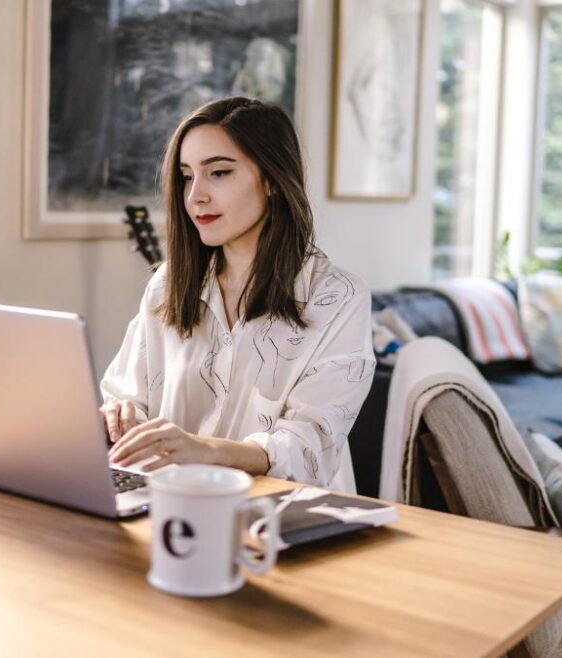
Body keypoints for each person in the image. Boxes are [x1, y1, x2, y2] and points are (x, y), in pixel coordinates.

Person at [102, 97, 375, 492]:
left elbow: (309, 447)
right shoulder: (168, 284)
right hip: (169, 508)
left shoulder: (339, 297)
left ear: (271, 179)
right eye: (186, 176)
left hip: (288, 519)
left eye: (219, 173)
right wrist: (120, 416)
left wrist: (206, 450)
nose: (196, 196)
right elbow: (126, 396)